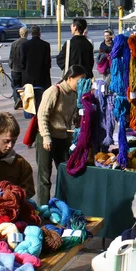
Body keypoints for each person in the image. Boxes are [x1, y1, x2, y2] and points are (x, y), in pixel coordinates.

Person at [36, 65, 86, 205]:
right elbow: (42, 115)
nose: (81, 83)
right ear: (69, 78)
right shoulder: (54, 91)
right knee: (44, 177)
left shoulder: (75, 94)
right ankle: (43, 209)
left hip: (63, 139)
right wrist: (46, 136)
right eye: (79, 80)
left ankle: (64, 204)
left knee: (66, 172)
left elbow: (72, 119)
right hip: (47, 138)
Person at [0, 112, 34, 197]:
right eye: (6, 141)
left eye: (14, 141)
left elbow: (29, 190)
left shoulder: (21, 164)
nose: (10, 145)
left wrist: (12, 196)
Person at [21, 25, 51, 91]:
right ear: (39, 33)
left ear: (31, 33)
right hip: (42, 77)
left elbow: (22, 62)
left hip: (29, 77)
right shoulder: (46, 45)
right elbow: (48, 62)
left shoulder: (25, 45)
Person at [8, 26, 28, 109]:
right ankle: (24, 101)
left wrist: (11, 65)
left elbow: (11, 56)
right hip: (25, 69)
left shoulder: (14, 44)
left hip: (15, 68)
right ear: (27, 34)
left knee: (15, 85)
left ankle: (17, 99)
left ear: (20, 33)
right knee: (25, 86)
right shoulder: (28, 43)